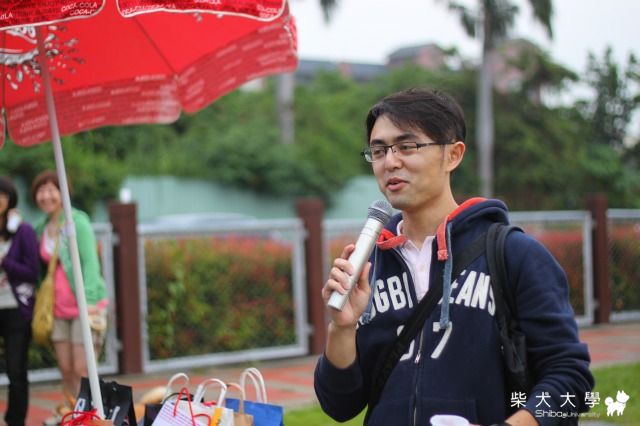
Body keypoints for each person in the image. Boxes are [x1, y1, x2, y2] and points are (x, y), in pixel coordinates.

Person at [314, 88, 594, 426]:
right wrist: (342, 328)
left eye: (407, 146)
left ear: (453, 155)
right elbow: (339, 405)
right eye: (378, 150)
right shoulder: (367, 267)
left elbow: (570, 378)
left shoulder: (514, 254)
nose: (390, 162)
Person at [30, 170, 109, 424]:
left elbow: (90, 264)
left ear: (63, 191)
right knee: (65, 368)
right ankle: (76, 415)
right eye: (41, 190)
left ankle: (93, 416)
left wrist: (90, 302)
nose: (46, 195)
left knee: (82, 369)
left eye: (52, 189)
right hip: (57, 309)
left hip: (84, 306)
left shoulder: (77, 222)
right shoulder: (41, 228)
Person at [0, 177, 40, 426]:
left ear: (10, 199)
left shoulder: (23, 231)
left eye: (2, 195)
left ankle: (15, 421)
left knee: (16, 370)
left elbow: (32, 271)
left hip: (16, 309)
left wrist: (5, 262)